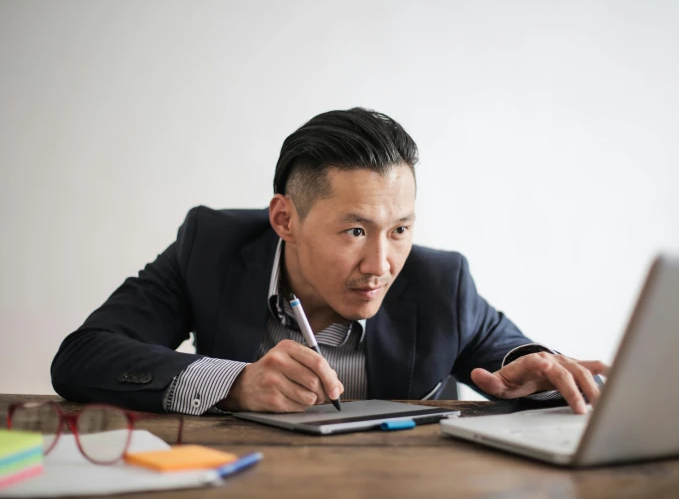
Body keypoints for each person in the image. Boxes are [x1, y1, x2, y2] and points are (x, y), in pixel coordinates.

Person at [51, 107, 609, 416]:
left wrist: (539, 374)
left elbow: (514, 363)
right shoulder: (211, 247)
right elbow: (83, 356)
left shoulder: (441, 281)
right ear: (284, 219)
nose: (381, 263)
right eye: (356, 230)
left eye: (400, 230)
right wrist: (235, 383)